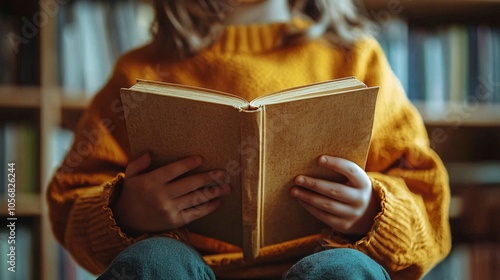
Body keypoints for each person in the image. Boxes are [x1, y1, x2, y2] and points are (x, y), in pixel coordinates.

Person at [46, 0, 451, 279]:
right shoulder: (138, 69)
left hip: (324, 263)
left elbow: (426, 201)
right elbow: (69, 200)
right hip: (182, 268)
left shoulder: (358, 59)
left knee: (342, 271)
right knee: (155, 263)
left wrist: (370, 211)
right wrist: (126, 210)